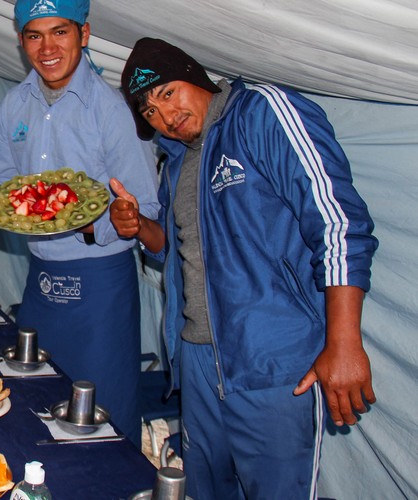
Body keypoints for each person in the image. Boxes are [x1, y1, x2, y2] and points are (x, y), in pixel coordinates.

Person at [111, 38, 378, 499]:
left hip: (271, 361)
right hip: (197, 359)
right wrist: (139, 228)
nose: (166, 117)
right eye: (150, 111)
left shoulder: (261, 114)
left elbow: (339, 224)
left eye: (169, 93)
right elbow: (178, 253)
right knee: (204, 490)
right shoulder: (176, 161)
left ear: (194, 76)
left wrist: (344, 341)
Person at [0, 0, 160, 445]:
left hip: (101, 283)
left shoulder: (112, 109)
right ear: (21, 40)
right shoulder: (14, 105)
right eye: (34, 35)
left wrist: (93, 224)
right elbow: (0, 185)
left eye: (59, 32)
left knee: (105, 411)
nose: (47, 48)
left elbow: (146, 210)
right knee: (37, 395)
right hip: (41, 278)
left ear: (84, 33)